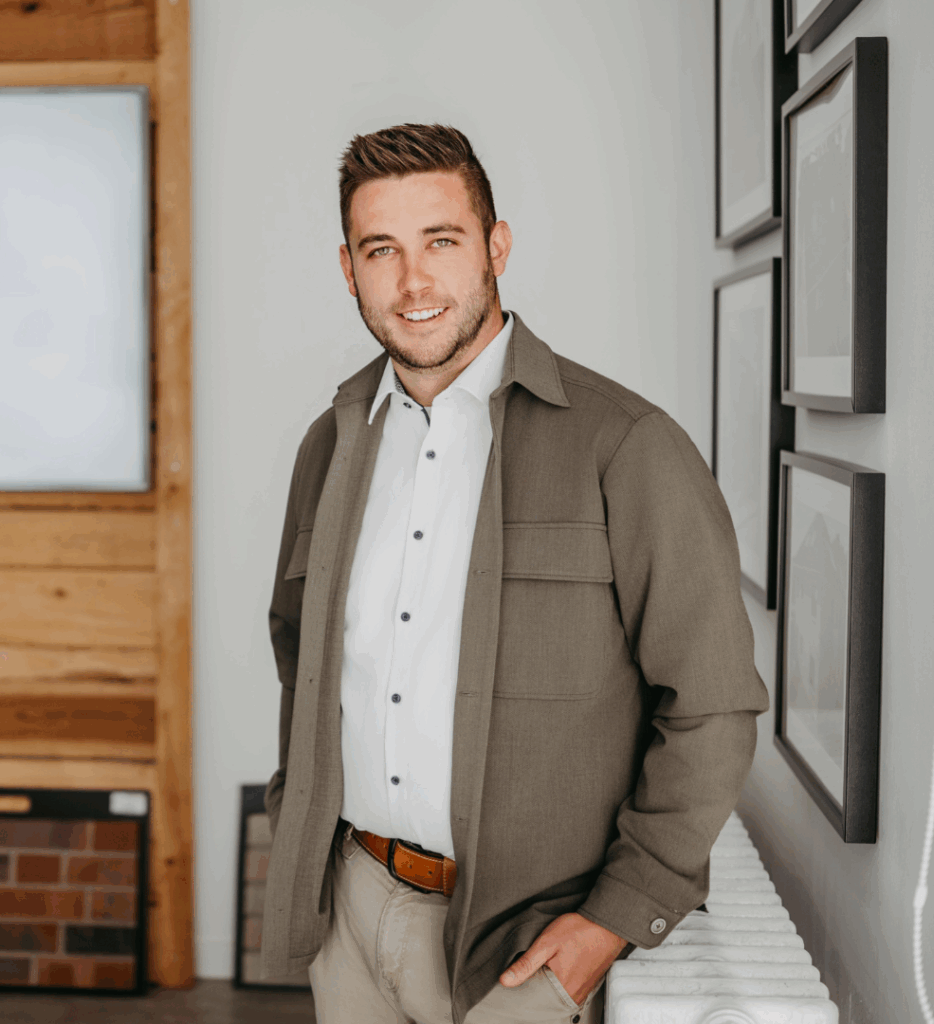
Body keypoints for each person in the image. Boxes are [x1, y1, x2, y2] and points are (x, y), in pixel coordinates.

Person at [260, 123, 769, 1024]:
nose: (413, 283)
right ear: (348, 269)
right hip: (351, 911)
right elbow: (300, 655)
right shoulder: (330, 445)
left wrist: (618, 916)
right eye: (382, 250)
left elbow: (712, 703)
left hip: (522, 944)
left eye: (441, 241)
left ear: (496, 246)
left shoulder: (626, 445)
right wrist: (299, 823)